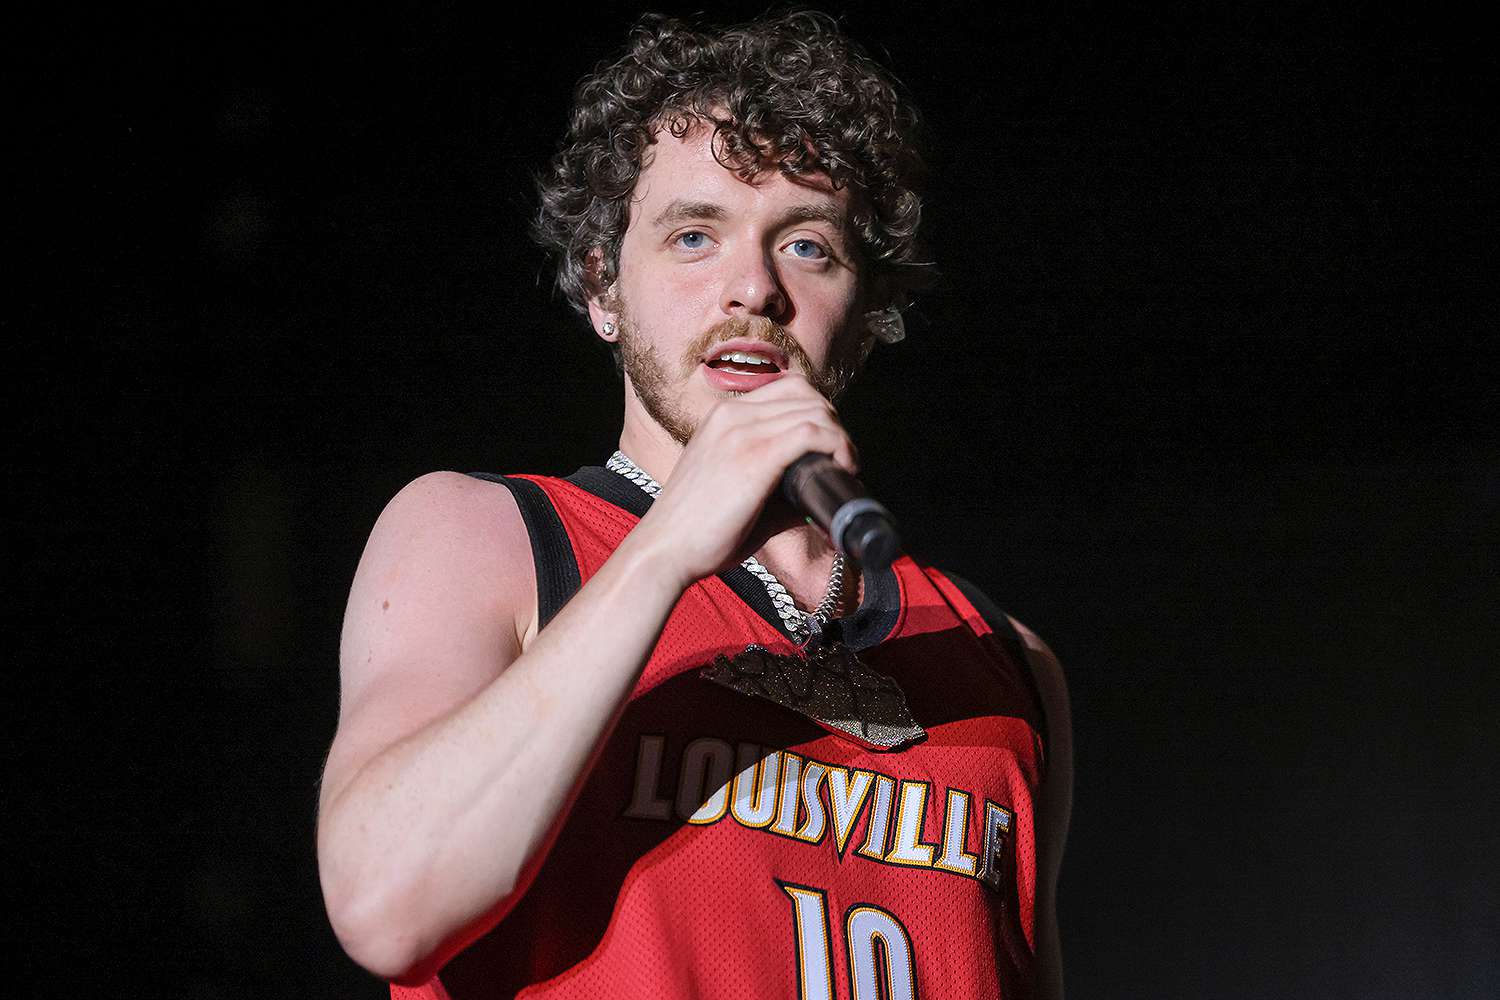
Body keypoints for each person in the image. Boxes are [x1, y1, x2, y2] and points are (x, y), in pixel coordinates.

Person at [316, 10, 1072, 999]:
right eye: (693, 234)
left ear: (867, 314)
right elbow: (384, 906)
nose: (751, 286)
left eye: (807, 246)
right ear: (603, 289)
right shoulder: (482, 534)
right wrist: (667, 547)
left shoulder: (1005, 659)